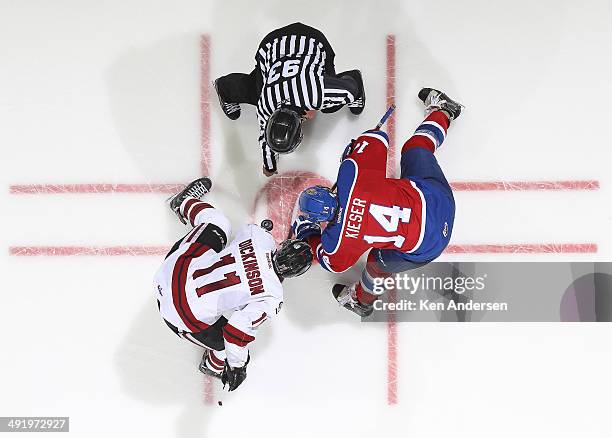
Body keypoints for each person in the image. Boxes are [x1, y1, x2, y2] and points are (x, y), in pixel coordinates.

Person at [292, 88, 462, 316]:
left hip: (431, 242)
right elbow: (377, 139)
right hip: (436, 197)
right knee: (415, 149)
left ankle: (362, 300)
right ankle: (444, 111)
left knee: (376, 262)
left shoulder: (338, 240)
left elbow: (330, 261)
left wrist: (306, 234)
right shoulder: (352, 175)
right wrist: (353, 153)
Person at [154, 177, 312, 390]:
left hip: (171, 272)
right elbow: (235, 332)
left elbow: (253, 235)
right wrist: (237, 367)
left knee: (219, 223)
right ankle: (213, 365)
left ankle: (184, 203)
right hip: (176, 314)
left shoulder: (259, 237)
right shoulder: (271, 296)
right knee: (222, 345)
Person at [214, 22, 365, 177]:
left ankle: (354, 75)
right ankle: (224, 88)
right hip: (276, 46)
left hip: (304, 43)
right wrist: (270, 167)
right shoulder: (266, 105)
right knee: (255, 89)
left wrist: (269, 167)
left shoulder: (317, 95)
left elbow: (351, 89)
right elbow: (266, 140)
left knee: (329, 106)